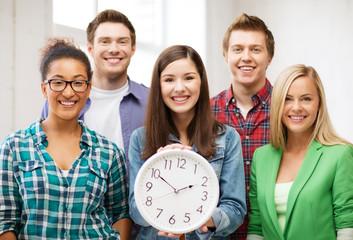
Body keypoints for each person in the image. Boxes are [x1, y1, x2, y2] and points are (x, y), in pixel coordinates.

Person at [0, 38, 131, 239]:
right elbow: (5, 221)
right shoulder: (14, 147)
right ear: (44, 88)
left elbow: (120, 214)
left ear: (88, 89)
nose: (69, 92)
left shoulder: (110, 153)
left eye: (78, 83)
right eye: (58, 82)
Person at [128, 45, 246, 240]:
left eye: (189, 78)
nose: (180, 87)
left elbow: (235, 210)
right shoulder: (140, 139)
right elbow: (136, 212)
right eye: (169, 80)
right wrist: (156, 166)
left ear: (201, 82)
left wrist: (193, 219)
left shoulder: (228, 138)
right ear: (159, 86)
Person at [247, 64, 353, 240]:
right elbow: (257, 225)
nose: (296, 107)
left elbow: (347, 225)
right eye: (288, 99)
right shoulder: (261, 156)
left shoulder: (340, 154)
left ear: (319, 104)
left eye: (306, 99)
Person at [41, 9, 149, 174]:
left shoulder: (150, 101)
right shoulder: (63, 99)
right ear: (90, 48)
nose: (114, 49)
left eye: (122, 42)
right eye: (105, 41)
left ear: (133, 49)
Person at [210, 13, 275, 239]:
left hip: (272, 232)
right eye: (237, 49)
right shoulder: (205, 114)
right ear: (226, 55)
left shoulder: (287, 111)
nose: (246, 57)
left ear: (269, 57)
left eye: (255, 49)